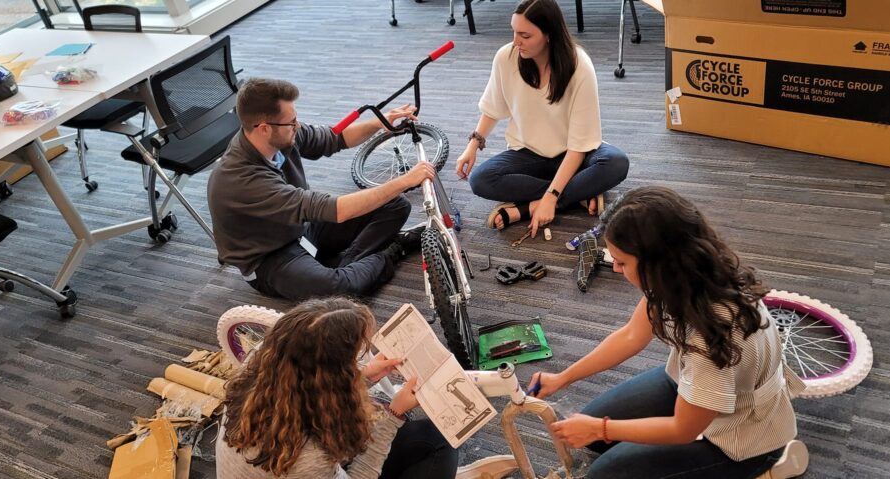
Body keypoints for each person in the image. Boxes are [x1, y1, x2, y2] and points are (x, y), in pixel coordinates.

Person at [529, 186, 807, 479]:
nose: (615, 270)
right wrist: (564, 377)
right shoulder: (682, 274)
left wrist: (601, 427)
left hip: (743, 438)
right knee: (598, 439)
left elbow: (683, 429)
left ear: (657, 263)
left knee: (603, 473)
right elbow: (631, 336)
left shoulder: (711, 335)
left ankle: (765, 469)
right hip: (700, 387)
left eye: (622, 262)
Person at [208, 78, 435, 301]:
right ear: (264, 129)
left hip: (301, 226)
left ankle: (348, 265)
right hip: (270, 257)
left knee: (395, 205)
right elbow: (334, 209)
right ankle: (392, 250)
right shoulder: (242, 181)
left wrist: (379, 123)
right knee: (343, 289)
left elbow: (333, 138)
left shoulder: (279, 135)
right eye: (291, 123)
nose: (297, 126)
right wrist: (405, 180)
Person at [217, 297, 459, 479]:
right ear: (333, 377)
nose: (358, 364)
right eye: (352, 361)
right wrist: (394, 416)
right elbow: (361, 474)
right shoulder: (310, 460)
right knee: (440, 443)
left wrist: (363, 375)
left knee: (426, 436)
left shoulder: (257, 369)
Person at [455, 0, 629, 237]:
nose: (516, 42)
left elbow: (579, 147)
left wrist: (549, 198)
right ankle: (578, 191)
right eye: (514, 32)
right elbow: (493, 107)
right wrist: (473, 144)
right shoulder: (505, 58)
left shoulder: (580, 66)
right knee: (480, 179)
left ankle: (528, 207)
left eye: (525, 35)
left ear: (549, 35)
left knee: (616, 162)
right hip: (529, 154)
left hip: (574, 154)